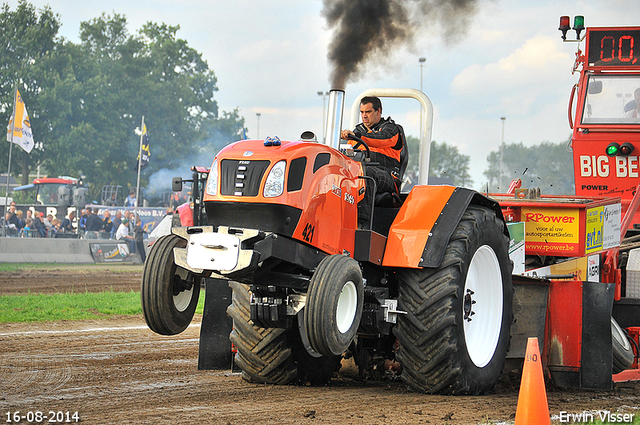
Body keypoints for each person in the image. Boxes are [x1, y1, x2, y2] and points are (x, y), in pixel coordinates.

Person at [340, 96, 407, 226]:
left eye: (368, 112)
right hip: (360, 173)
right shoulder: (358, 131)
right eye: (362, 112)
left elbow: (381, 139)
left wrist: (358, 136)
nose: (364, 116)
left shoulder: (391, 129)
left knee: (367, 173)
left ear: (378, 111)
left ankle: (362, 224)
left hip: (387, 177)